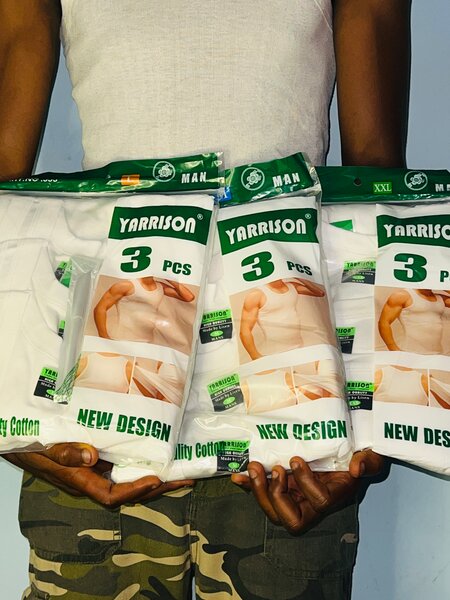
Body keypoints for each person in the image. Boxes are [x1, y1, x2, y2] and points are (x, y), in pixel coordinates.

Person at [0, 1, 411, 598]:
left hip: (289, 411)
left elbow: (378, 181)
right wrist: (12, 418)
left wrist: (375, 420)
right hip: (101, 401)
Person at [239, 278, 326, 360]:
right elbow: (245, 330)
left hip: (298, 347)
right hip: (273, 354)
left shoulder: (292, 286)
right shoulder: (257, 294)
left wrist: (297, 276)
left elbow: (320, 293)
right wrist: (255, 357)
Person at [93, 276, 195, 343]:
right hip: (122, 339)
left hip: (147, 341)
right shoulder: (126, 285)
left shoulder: (160, 287)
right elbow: (100, 308)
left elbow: (189, 297)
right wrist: (103, 337)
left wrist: (169, 278)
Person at [378, 288, 449, 354]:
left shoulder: (440, 298)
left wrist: (443, 286)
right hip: (409, 352)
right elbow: (384, 322)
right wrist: (394, 350)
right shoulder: (403, 295)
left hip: (436, 353)